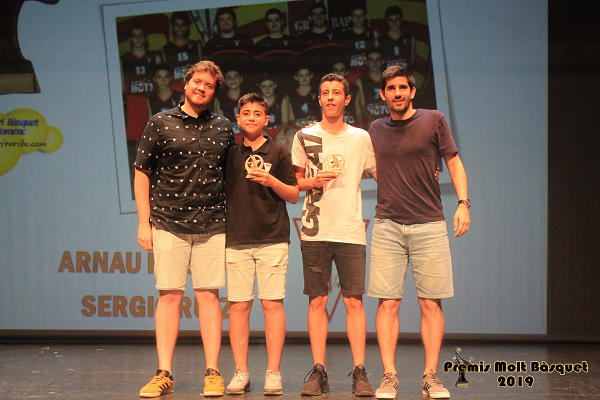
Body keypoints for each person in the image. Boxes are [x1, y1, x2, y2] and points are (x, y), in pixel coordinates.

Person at [368, 66, 470, 399]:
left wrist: (464, 203)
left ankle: (430, 376)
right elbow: (371, 166)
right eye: (390, 89)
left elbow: (453, 162)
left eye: (402, 87)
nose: (397, 93)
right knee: (387, 305)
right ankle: (389, 376)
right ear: (382, 95)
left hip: (428, 223)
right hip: (387, 225)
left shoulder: (433, 119)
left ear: (412, 91)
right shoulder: (374, 128)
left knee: (430, 304)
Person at [135, 61, 234, 398]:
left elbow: (236, 172)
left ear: (214, 92)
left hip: (212, 224)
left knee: (208, 297)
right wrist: (143, 222)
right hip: (167, 223)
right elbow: (142, 173)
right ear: (185, 83)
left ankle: (213, 373)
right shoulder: (159, 122)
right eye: (196, 81)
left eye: (208, 85)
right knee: (170, 296)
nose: (201, 87)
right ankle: (164, 373)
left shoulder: (224, 127)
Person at [291, 73, 376, 397]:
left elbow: (382, 173)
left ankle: (359, 371)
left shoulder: (360, 138)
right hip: (315, 230)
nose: (330, 98)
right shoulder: (304, 136)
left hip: (351, 230)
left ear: (347, 98)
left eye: (336, 93)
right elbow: (294, 182)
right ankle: (319, 370)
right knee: (318, 301)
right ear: (319, 98)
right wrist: (311, 182)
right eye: (324, 93)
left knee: (354, 301)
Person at [224, 92, 299, 396]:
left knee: (271, 304)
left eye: (258, 113)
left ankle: (273, 372)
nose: (252, 117)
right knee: (239, 306)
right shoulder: (229, 153)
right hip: (237, 239)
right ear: (238, 119)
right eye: (246, 112)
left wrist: (272, 182)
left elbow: (293, 195)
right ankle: (241, 372)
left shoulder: (278, 152)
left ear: (267, 120)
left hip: (272, 239)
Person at [120, 24, 162, 199]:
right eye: (134, 35)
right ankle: (141, 183)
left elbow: (161, 78)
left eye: (140, 35)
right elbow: (123, 85)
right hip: (134, 103)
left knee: (158, 142)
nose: (137, 38)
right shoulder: (125, 59)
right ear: (130, 39)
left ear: (145, 38)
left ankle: (160, 180)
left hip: (151, 101)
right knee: (139, 143)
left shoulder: (154, 57)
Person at [297, 3, 344, 80]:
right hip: (313, 82)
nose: (318, 17)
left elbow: (344, 59)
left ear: (326, 16)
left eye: (321, 13)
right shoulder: (303, 38)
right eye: (315, 14)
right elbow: (300, 64)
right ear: (310, 17)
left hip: (335, 80)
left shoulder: (337, 34)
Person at [255, 8, 299, 89]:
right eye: (270, 21)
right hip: (269, 89)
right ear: (266, 24)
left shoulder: (292, 41)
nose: (274, 23)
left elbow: (299, 66)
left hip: (291, 86)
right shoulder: (260, 45)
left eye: (276, 20)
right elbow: (257, 71)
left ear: (282, 22)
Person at [203, 8, 255, 75]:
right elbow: (206, 70)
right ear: (217, 23)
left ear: (234, 21)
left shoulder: (246, 41)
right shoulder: (211, 43)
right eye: (222, 19)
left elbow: (255, 66)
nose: (225, 22)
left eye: (228, 19)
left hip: (245, 83)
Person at [279, 65, 320, 151]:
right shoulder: (290, 96)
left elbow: (324, 115)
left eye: (306, 75)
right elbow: (290, 119)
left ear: (311, 76)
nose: (304, 78)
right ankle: (292, 164)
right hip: (299, 127)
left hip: (315, 127)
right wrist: (290, 128)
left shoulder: (318, 93)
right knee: (289, 137)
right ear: (296, 77)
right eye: (301, 76)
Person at [161, 11, 201, 92]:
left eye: (183, 25)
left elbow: (202, 70)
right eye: (176, 25)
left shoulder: (195, 45)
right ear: (172, 26)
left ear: (187, 27)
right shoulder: (166, 48)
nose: (179, 28)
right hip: (175, 91)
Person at [340, 4, 378, 84]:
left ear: (365, 17)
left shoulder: (373, 33)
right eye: (355, 16)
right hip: (351, 76)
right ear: (350, 18)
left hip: (369, 75)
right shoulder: (345, 35)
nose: (358, 18)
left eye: (361, 15)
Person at [355, 47, 389, 126]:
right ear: (366, 62)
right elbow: (362, 105)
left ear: (382, 61)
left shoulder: (389, 79)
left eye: (377, 59)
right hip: (371, 121)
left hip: (389, 120)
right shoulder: (361, 80)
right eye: (371, 60)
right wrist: (372, 118)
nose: (374, 63)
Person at [378, 6, 414, 71]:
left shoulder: (409, 39)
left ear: (401, 20)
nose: (394, 22)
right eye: (391, 20)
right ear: (386, 21)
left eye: (397, 19)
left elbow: (411, 63)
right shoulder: (379, 40)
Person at [256, 75, 291, 142]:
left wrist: (282, 131)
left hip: (278, 129)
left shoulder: (281, 100)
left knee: (283, 140)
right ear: (259, 87)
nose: (267, 89)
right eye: (264, 86)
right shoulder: (256, 102)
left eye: (270, 86)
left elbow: (285, 121)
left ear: (275, 86)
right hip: (263, 131)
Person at [214, 68, 245, 142]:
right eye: (229, 78)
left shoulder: (249, 97)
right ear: (224, 81)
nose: (233, 80)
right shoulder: (221, 99)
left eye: (236, 77)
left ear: (241, 79)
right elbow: (218, 124)